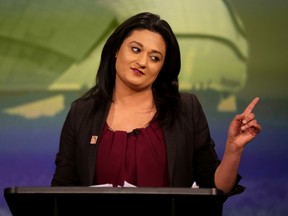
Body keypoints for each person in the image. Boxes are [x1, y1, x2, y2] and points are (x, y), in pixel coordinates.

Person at [51, 12, 261, 196]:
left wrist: (233, 150)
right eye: (135, 49)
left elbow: (215, 188)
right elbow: (62, 190)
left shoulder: (186, 109)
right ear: (116, 50)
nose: (142, 62)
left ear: (162, 67)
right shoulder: (82, 112)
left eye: (154, 58)